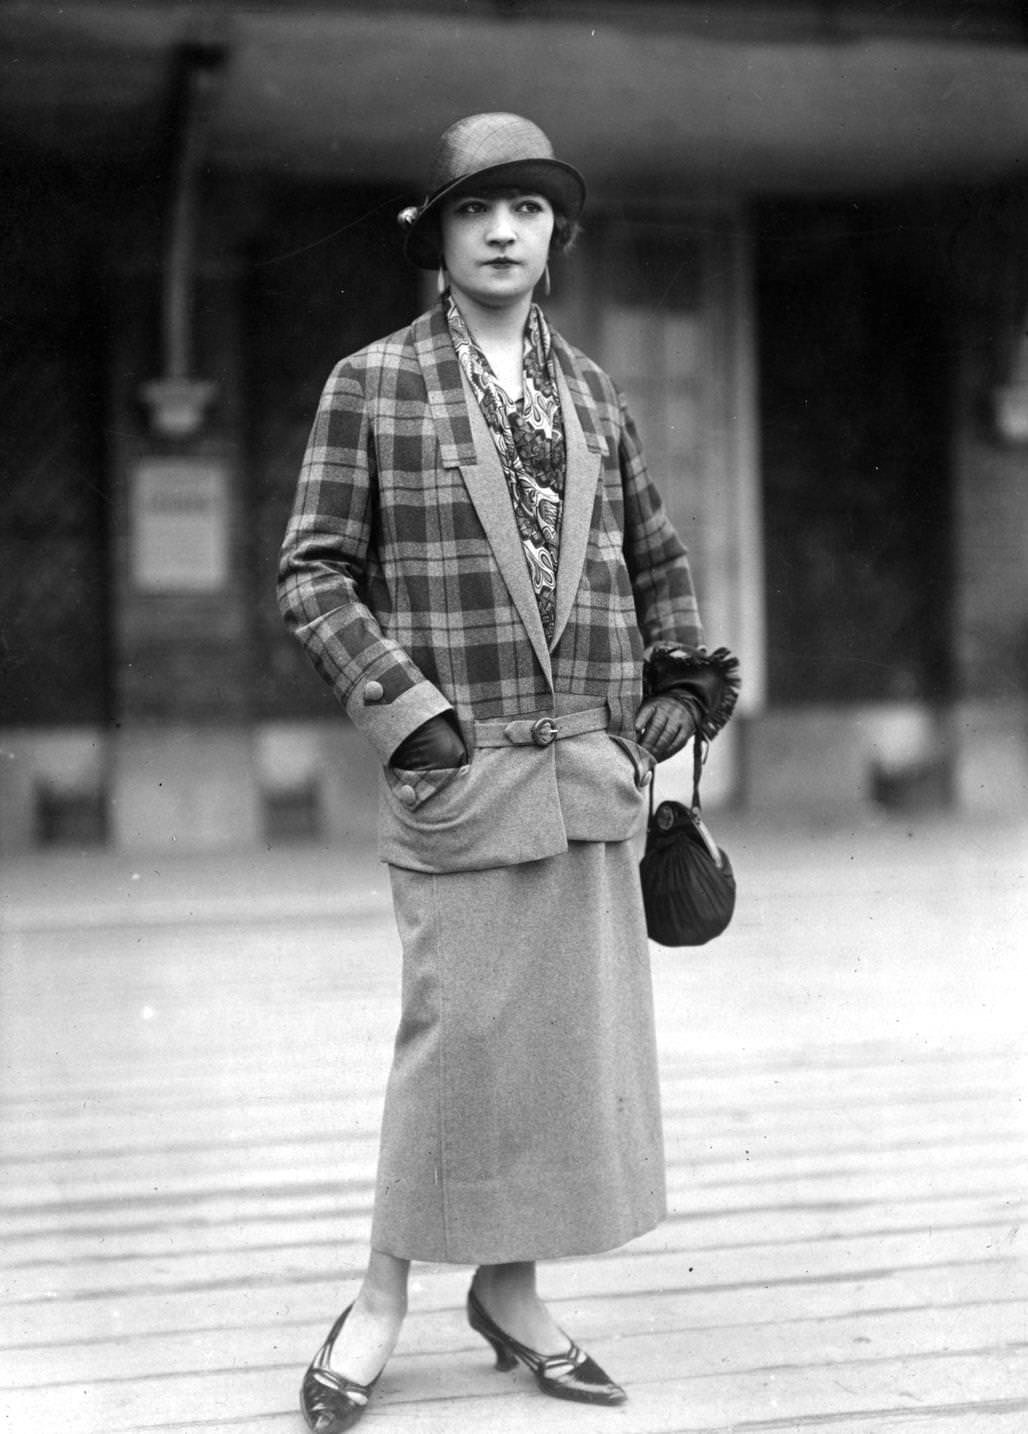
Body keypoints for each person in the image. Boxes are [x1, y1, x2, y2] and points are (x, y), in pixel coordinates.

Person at [278, 112, 739, 1432]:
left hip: (591, 775)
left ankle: (511, 1292)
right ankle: (379, 1299)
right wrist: (407, 711)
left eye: (526, 208)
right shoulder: (372, 383)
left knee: (559, 1052)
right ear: (435, 233)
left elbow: (656, 558)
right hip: (460, 776)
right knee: (453, 1043)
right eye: (475, 208)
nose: (500, 231)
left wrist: (677, 679)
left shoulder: (591, 393)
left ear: (557, 235)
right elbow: (312, 573)